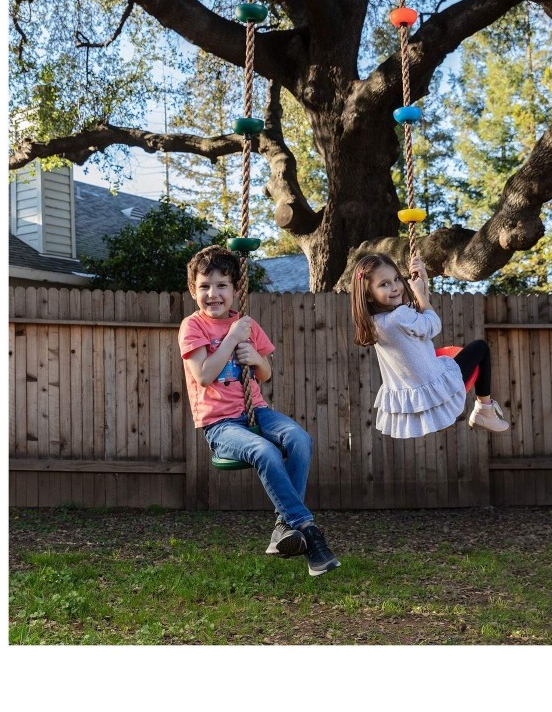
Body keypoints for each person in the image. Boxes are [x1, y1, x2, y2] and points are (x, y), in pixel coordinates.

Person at [179, 245, 341, 577]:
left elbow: (265, 373)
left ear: (235, 289)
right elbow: (204, 376)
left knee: (300, 439)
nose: (213, 294)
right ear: (193, 290)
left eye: (222, 285)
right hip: (220, 425)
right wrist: (231, 339)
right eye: (205, 286)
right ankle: (309, 531)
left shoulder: (246, 323)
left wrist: (255, 358)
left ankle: (284, 526)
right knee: (264, 451)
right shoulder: (192, 326)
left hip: (257, 411)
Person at [350, 252, 510, 439]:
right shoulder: (400, 317)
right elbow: (432, 325)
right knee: (480, 348)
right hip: (433, 384)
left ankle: (442, 417)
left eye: (396, 279)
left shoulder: (375, 323)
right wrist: (419, 291)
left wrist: (423, 281)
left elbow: (417, 312)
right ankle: (485, 411)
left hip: (413, 394)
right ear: (369, 294)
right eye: (384, 284)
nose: (395, 287)